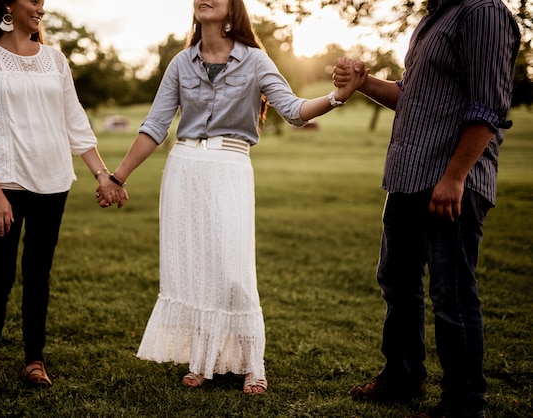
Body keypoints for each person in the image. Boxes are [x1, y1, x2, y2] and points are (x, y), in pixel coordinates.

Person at [96, 0, 362, 395]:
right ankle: (202, 361)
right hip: (184, 168)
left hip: (230, 168)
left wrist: (338, 96)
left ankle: (253, 365)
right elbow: (155, 125)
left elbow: (293, 110)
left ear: (232, 8)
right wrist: (116, 176)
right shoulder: (180, 64)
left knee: (233, 270)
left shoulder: (255, 61)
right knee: (196, 268)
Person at [333, 0, 520, 416]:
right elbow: (410, 98)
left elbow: (488, 107)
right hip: (407, 176)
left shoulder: (483, 11)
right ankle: (401, 376)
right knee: (397, 281)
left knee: (451, 294)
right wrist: (364, 82)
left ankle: (463, 402)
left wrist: (454, 177)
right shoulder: (431, 19)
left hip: (450, 180)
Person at [0, 0, 118, 399]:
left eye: (44, 2)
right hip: (4, 184)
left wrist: (103, 175)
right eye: (33, 1)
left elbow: (75, 122)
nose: (40, 8)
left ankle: (34, 360)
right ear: (9, 4)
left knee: (38, 275)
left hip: (54, 182)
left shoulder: (55, 60)